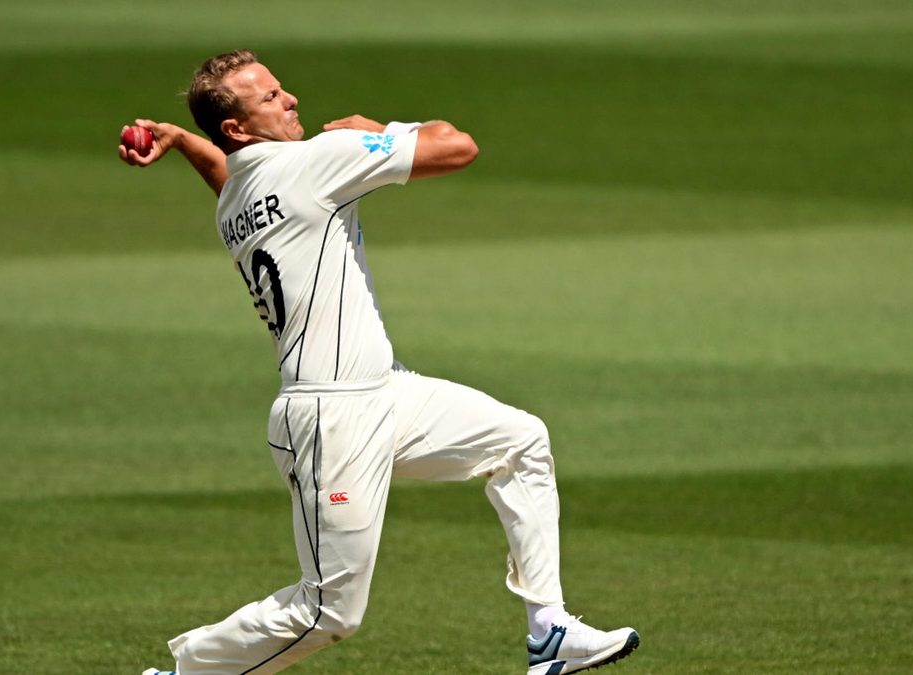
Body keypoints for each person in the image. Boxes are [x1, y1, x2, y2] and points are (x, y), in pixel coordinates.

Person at [119, 49, 639, 675]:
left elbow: (227, 171)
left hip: (383, 394)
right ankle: (185, 674)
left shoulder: (236, 196)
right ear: (236, 129)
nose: (292, 101)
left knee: (522, 440)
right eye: (271, 98)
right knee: (328, 614)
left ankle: (548, 629)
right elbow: (458, 147)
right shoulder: (316, 162)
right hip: (331, 418)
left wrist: (179, 138)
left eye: (283, 89)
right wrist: (378, 131)